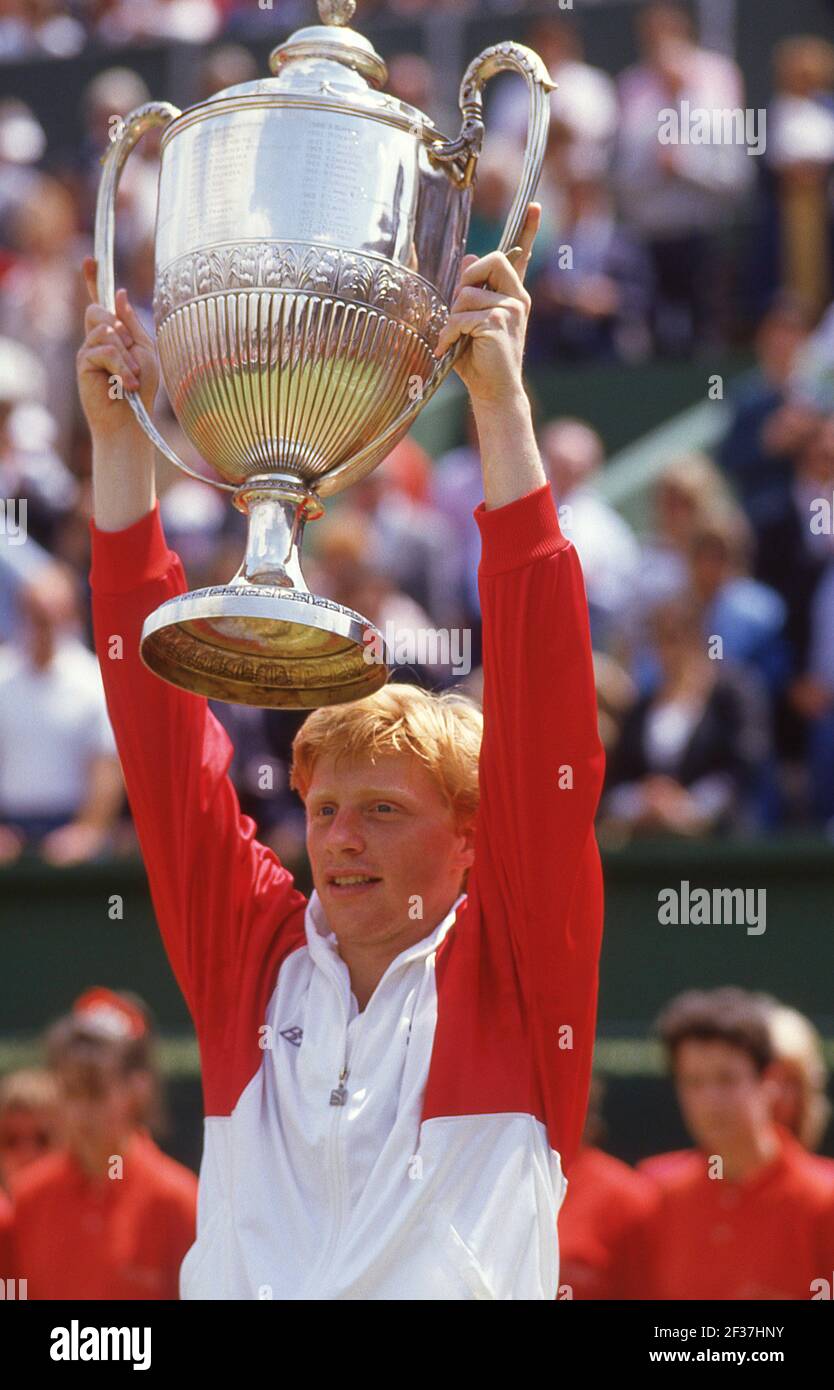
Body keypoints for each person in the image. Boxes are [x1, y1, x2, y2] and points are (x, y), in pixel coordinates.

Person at [77, 201, 606, 1300]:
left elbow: (550, 703)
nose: (340, 839)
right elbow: (160, 739)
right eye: (324, 810)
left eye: (383, 810)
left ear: (471, 837)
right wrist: (121, 444)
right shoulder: (254, 960)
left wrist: (501, 406)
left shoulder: (516, 968)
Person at [638, 988, 834, 1300]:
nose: (710, 1102)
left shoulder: (824, 1198)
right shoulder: (653, 1192)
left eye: (727, 1079)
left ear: (770, 1081)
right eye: (693, 1082)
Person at [4, 988, 197, 1300]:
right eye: (69, 1092)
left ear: (137, 1089)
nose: (80, 1113)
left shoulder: (178, 1201)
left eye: (94, 1093)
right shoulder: (29, 1197)